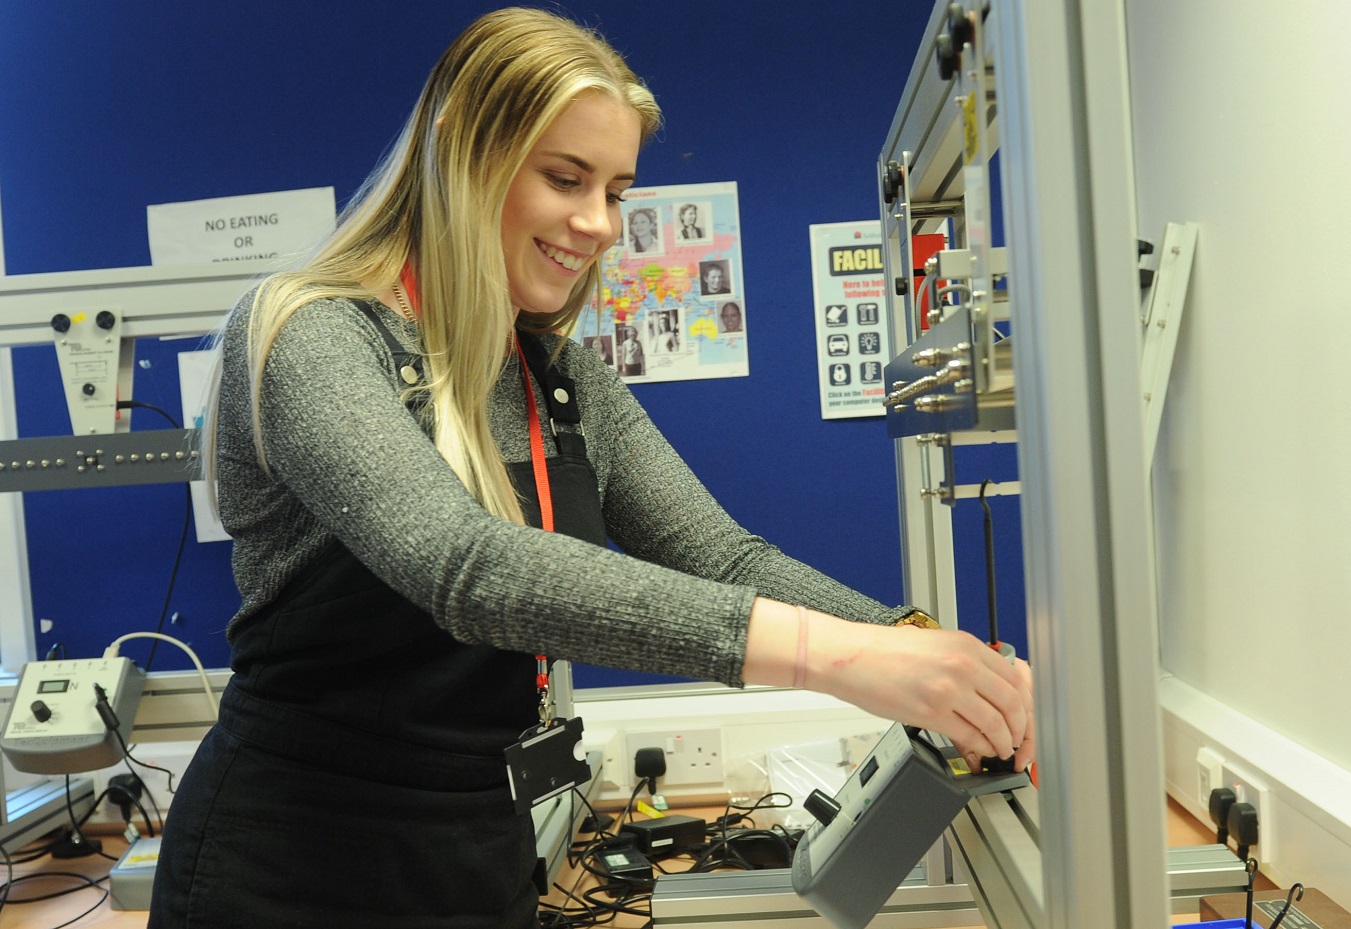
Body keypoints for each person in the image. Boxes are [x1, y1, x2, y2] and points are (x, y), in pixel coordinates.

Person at [149, 9, 1033, 929]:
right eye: (565, 178)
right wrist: (841, 660)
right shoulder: (311, 330)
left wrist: (927, 647)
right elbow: (466, 567)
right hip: (288, 872)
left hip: (476, 859)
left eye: (616, 189)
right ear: (459, 151)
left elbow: (724, 559)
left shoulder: (560, 380)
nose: (598, 223)